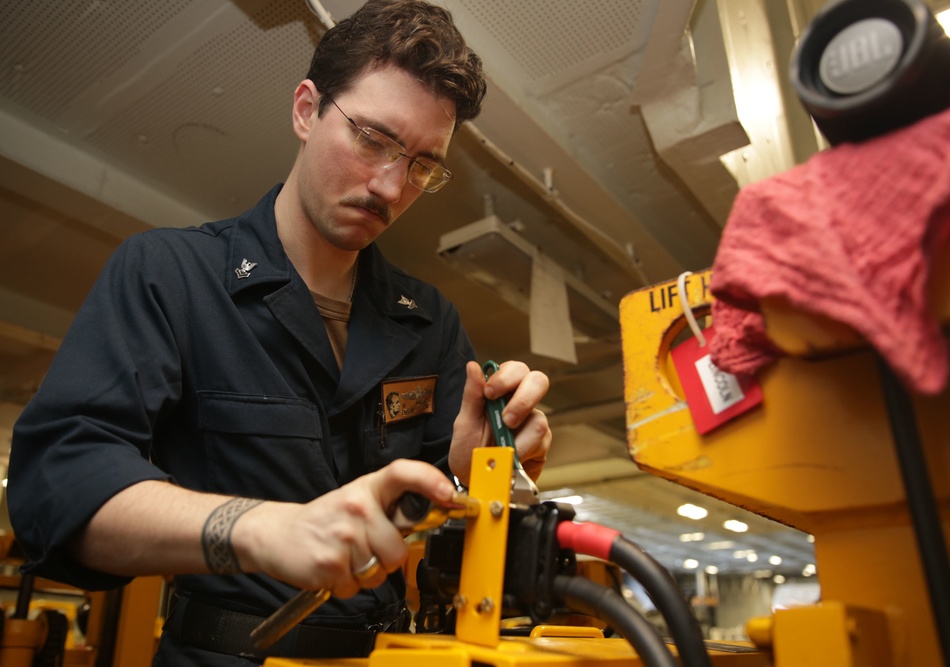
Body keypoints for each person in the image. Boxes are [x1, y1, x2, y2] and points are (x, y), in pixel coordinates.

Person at [6, 1, 552, 664]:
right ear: (305, 110)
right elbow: (56, 484)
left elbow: (445, 547)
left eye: (421, 165)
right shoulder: (171, 274)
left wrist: (476, 478)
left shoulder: (430, 321)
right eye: (374, 140)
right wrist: (268, 529)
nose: (390, 185)